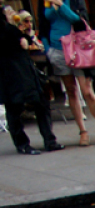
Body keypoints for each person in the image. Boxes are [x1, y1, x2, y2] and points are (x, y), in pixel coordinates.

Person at [41, 0, 95, 147]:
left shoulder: (74, 1)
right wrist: (47, 49)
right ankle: (83, 131)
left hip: (78, 48)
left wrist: (60, 5)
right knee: (71, 90)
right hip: (57, 49)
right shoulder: (44, 2)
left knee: (87, 91)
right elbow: (44, 25)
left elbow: (79, 20)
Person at [1, 3, 61, 153]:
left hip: (22, 71)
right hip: (13, 72)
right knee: (16, 108)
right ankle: (26, 144)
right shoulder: (7, 28)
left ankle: (47, 140)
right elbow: (23, 44)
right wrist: (14, 27)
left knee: (38, 102)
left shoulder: (11, 28)